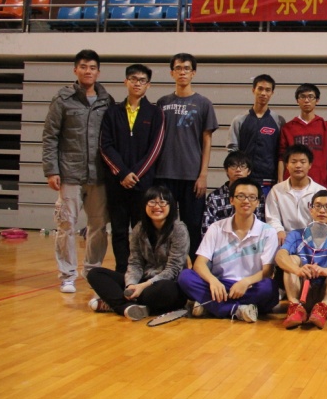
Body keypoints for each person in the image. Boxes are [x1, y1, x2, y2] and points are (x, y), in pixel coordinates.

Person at [42, 49, 114, 293]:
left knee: (98, 227)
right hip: (69, 174)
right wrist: (51, 170)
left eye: (92, 67)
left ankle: (93, 272)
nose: (88, 71)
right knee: (66, 225)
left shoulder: (107, 100)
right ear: (75, 70)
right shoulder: (63, 99)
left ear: (98, 72)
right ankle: (67, 275)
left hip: (99, 176)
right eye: (83, 67)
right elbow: (50, 136)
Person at [177, 177, 280, 323]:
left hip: (249, 286)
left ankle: (211, 306)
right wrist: (213, 281)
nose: (246, 201)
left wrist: (245, 282)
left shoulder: (268, 232)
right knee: (185, 277)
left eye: (252, 197)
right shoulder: (216, 228)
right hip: (220, 285)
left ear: (258, 202)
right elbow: (199, 264)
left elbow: (268, 271)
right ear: (231, 200)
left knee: (269, 288)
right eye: (241, 196)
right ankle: (237, 310)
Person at [99, 63, 164, 274]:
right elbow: (105, 146)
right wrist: (122, 173)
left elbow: (155, 148)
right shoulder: (112, 112)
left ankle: (141, 271)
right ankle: (121, 271)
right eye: (133, 79)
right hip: (117, 183)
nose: (137, 83)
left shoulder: (155, 113)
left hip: (142, 184)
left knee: (142, 231)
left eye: (142, 80)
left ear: (148, 85)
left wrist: (135, 174)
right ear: (126, 82)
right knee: (119, 231)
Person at [87, 186, 188, 320]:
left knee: (166, 290)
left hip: (166, 283)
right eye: (152, 202)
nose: (157, 206)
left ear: (171, 206)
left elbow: (173, 269)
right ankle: (127, 307)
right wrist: (131, 285)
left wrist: (142, 286)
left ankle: (116, 303)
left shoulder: (179, 229)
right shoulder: (139, 229)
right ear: (145, 205)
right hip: (142, 280)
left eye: (162, 202)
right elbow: (135, 262)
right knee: (95, 274)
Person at [155, 53, 219, 260]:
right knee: (165, 224)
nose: (182, 72)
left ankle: (194, 269)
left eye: (186, 68)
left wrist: (203, 175)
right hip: (164, 174)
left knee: (193, 225)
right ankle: (167, 266)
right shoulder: (162, 103)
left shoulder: (204, 103)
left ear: (193, 73)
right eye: (178, 68)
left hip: (192, 176)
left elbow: (207, 140)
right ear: (171, 73)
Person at [275, 191, 327, 329]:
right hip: (302, 292)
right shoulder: (296, 235)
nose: (322, 210)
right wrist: (297, 270)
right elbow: (280, 256)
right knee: (292, 259)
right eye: (318, 206)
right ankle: (295, 307)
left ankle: (322, 308)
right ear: (311, 210)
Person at [227, 74, 285, 196]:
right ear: (253, 90)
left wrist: (280, 179)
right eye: (260, 89)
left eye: (267, 90)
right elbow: (233, 151)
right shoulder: (239, 120)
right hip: (244, 181)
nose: (263, 93)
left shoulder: (278, 121)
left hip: (269, 181)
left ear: (272, 93)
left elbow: (282, 152)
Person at [278, 83, 327, 191]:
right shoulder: (288, 128)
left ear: (317, 100)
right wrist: (280, 182)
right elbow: (282, 157)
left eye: (310, 96)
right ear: (297, 100)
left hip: (320, 184)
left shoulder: (325, 127)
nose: (306, 100)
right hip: (292, 185)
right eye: (302, 97)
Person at [265, 144, 326, 241]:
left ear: (310, 165)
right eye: (293, 162)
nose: (298, 166)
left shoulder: (320, 192)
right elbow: (272, 218)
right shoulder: (276, 190)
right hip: (285, 239)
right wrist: (279, 230)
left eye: (303, 162)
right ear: (287, 165)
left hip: (312, 238)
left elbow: (323, 220)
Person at [202, 151, 266, 236]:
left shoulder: (256, 195)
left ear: (249, 171)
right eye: (233, 166)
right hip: (221, 240)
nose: (238, 170)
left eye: (242, 166)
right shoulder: (214, 197)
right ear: (226, 170)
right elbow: (207, 228)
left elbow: (261, 223)